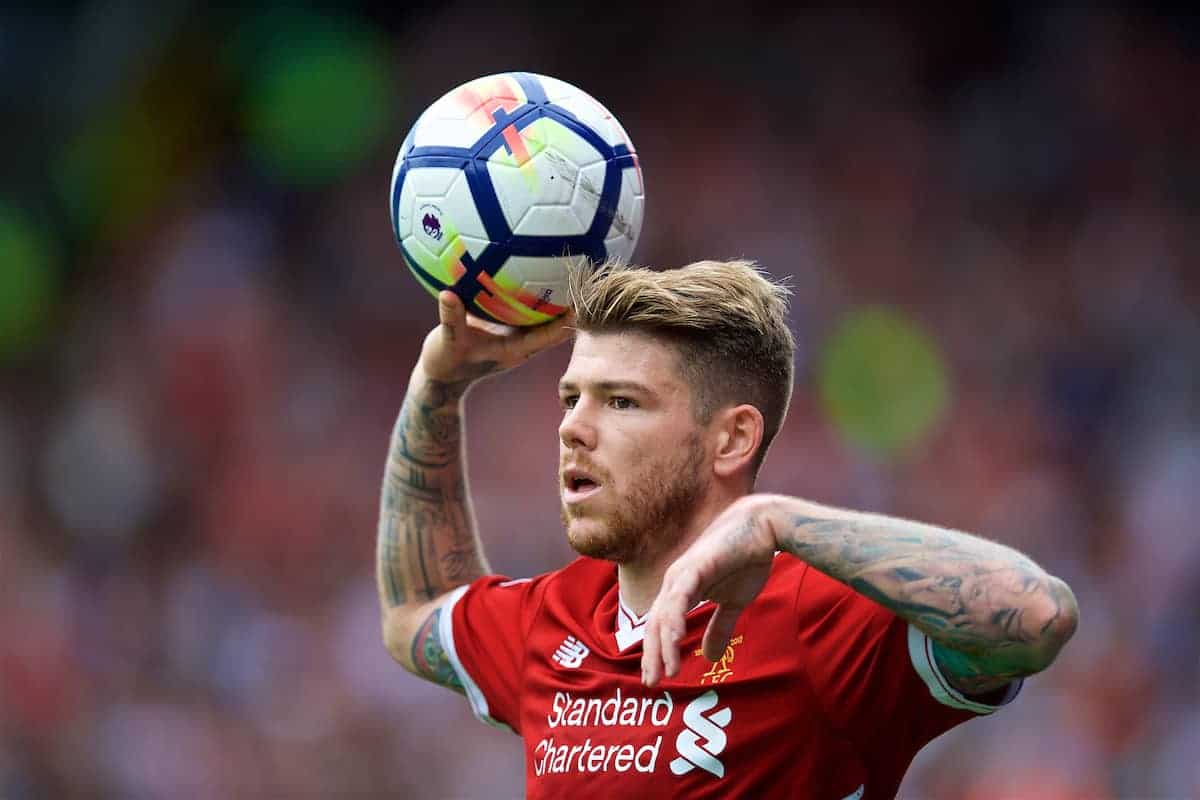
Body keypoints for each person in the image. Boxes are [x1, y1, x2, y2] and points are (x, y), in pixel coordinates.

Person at [376, 259, 1079, 799]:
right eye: (570, 398)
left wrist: (780, 520)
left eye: (621, 402)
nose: (573, 428)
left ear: (733, 440)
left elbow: (1035, 616)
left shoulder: (815, 614)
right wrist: (436, 389)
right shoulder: (549, 621)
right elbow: (415, 610)